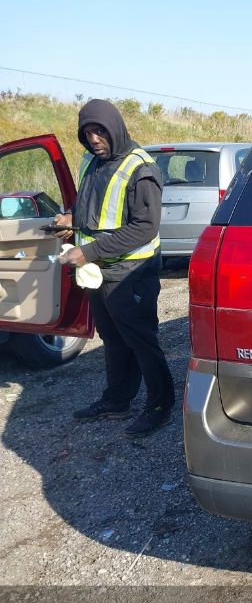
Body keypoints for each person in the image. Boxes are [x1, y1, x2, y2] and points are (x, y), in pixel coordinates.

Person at [53, 99, 175, 438]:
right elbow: (88, 205)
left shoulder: (140, 168)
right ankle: (118, 400)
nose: (94, 139)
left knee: (141, 340)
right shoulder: (92, 162)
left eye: (100, 131)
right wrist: (70, 218)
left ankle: (160, 406)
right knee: (112, 338)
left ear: (115, 128)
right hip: (99, 271)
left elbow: (145, 227)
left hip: (131, 273)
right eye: (88, 133)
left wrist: (87, 251)